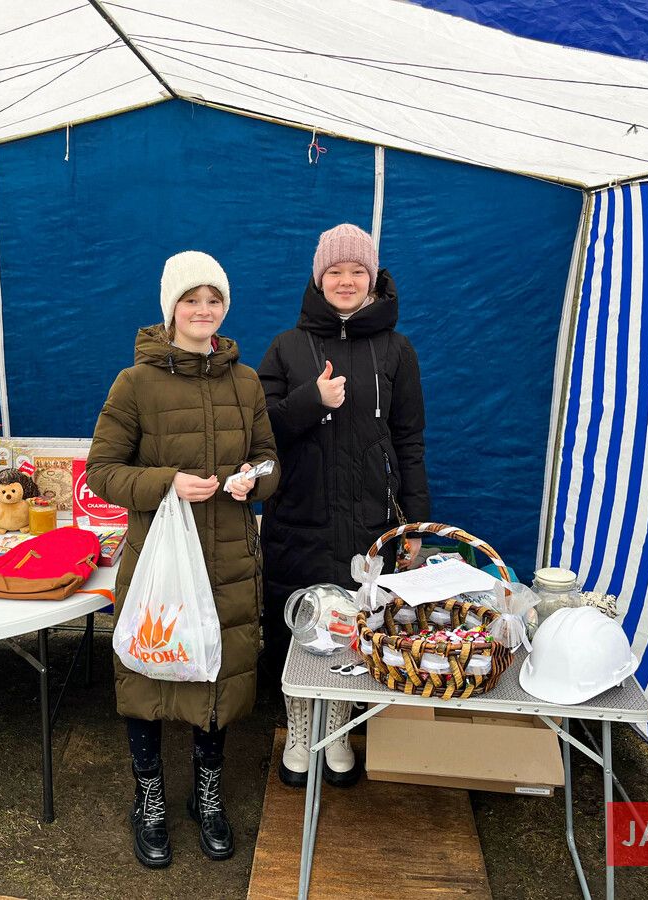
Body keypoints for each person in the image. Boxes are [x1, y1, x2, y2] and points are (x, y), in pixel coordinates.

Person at [86, 251, 279, 869]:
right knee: (148, 674)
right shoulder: (134, 383)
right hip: (159, 560)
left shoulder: (245, 382)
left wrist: (254, 479)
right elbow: (102, 472)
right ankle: (148, 799)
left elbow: (271, 460)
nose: (203, 310)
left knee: (217, 673)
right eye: (191, 299)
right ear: (171, 308)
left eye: (213, 299)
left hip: (228, 558)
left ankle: (207, 793)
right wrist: (167, 481)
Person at [257, 223, 430, 788]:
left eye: (358, 271)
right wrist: (312, 399)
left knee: (354, 630)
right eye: (335, 271)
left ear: (373, 279)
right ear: (319, 279)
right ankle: (300, 733)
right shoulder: (286, 346)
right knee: (298, 628)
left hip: (369, 525)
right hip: (298, 520)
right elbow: (261, 431)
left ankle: (338, 734)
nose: (346, 281)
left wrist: (414, 523)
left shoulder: (397, 350)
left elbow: (409, 440)